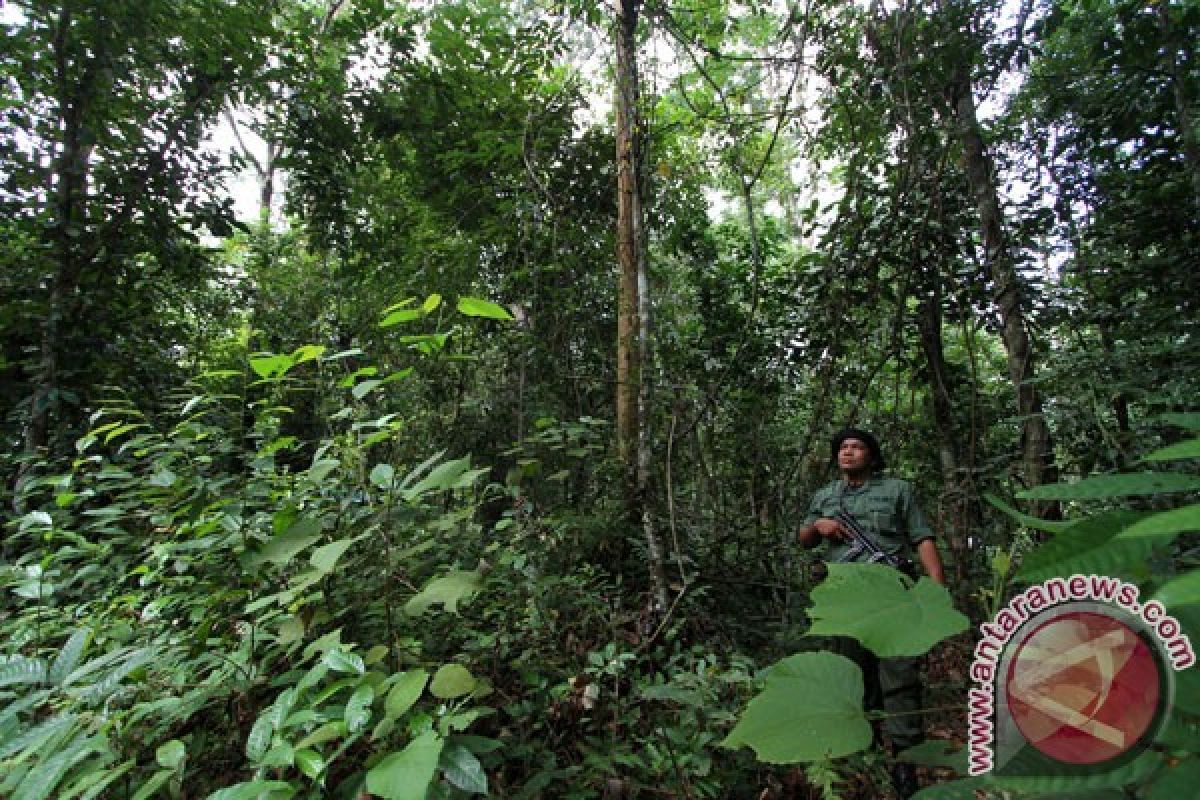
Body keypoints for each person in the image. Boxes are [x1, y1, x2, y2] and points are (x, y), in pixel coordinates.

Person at [796, 428, 946, 799]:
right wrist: (819, 526)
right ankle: (863, 762)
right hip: (845, 603)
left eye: (857, 446)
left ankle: (905, 770)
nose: (848, 452)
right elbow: (803, 539)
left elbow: (921, 538)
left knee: (900, 679)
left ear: (871, 455)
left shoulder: (897, 490)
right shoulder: (825, 496)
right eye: (842, 447)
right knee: (853, 679)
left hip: (892, 597)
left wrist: (937, 587)